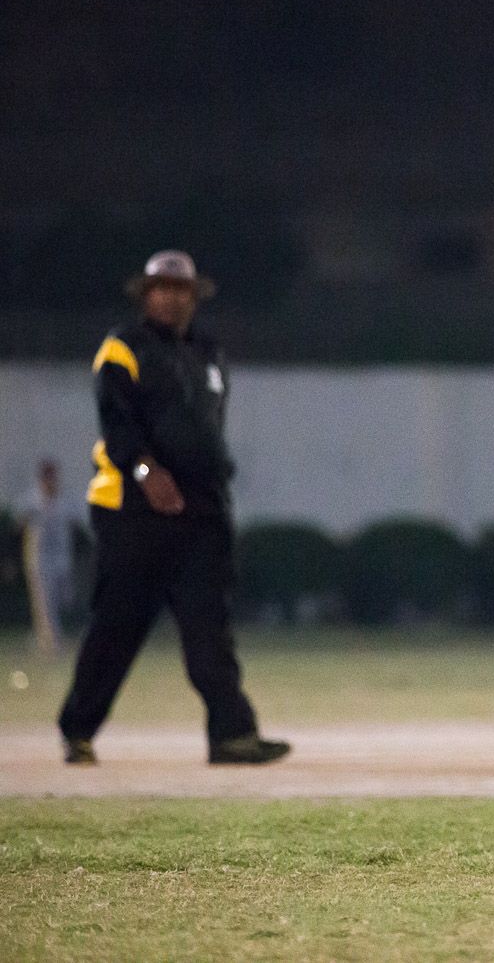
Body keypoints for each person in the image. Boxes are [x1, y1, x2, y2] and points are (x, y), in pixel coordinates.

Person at [56, 250, 290, 766]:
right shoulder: (123, 348)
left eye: (180, 289)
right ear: (145, 295)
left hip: (200, 510)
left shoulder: (209, 353)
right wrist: (145, 470)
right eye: (161, 288)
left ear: (194, 297)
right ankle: (78, 729)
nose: (171, 297)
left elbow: (208, 429)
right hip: (132, 508)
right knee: (119, 624)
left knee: (210, 626)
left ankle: (232, 735)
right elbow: (116, 421)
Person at [17, 459, 80, 657]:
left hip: (61, 558)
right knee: (45, 603)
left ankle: (42, 638)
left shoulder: (64, 500)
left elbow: (77, 522)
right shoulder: (32, 500)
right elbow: (19, 524)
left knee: (65, 598)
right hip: (40, 560)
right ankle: (52, 645)